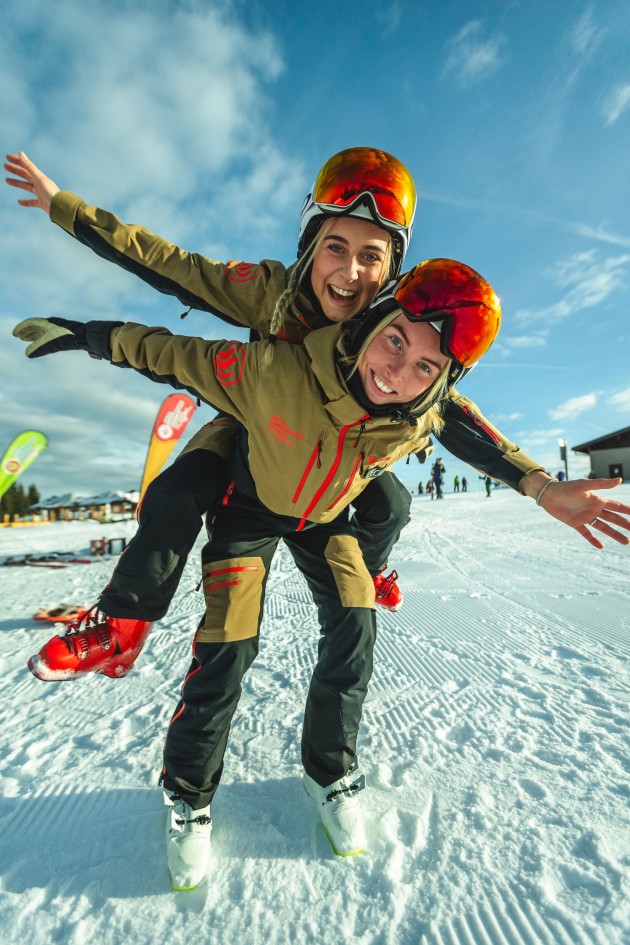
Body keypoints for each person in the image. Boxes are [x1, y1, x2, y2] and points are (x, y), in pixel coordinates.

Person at [15, 259, 630, 888]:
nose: (398, 373)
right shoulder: (278, 370)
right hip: (248, 515)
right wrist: (86, 333)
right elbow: (169, 351)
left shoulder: (420, 410)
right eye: (395, 341)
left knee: (354, 627)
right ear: (371, 327)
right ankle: (189, 796)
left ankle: (329, 772)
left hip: (327, 519)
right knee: (227, 646)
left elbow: (471, 431)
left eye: (425, 366)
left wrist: (541, 485)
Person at [6, 147, 420, 676]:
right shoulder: (272, 292)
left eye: (371, 257)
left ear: (390, 269)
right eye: (334, 247)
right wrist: (66, 208)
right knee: (177, 492)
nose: (348, 274)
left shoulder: (390, 323)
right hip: (254, 422)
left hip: (341, 447)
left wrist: (537, 482)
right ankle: (122, 628)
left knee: (393, 504)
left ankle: (375, 567)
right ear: (310, 246)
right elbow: (173, 265)